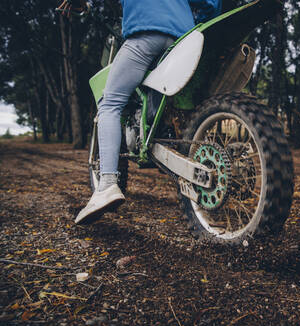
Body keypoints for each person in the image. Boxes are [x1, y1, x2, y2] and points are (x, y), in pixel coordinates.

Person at [69, 0, 222, 224]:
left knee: (110, 103)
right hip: (186, 40)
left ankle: (107, 185)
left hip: (146, 35)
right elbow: (211, 3)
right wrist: (196, 24)